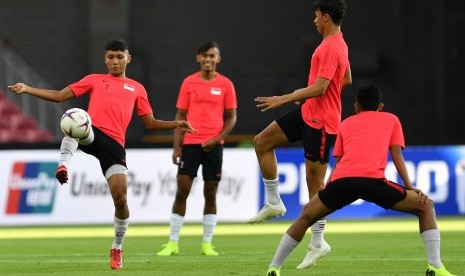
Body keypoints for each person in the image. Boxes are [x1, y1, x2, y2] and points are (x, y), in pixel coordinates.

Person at [7, 38, 196, 270]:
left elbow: (150, 123)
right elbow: (59, 95)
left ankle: (117, 247)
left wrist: (176, 124)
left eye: (119, 57)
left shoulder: (137, 88)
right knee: (75, 119)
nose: (115, 62)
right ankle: (63, 164)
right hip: (92, 133)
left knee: (121, 200)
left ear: (128, 58)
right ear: (105, 59)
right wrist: (26, 88)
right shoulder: (94, 80)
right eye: (110, 57)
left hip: (114, 145)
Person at [265, 84, 456, 276]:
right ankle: (435, 267)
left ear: (356, 107)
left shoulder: (345, 124)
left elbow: (339, 163)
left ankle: (274, 267)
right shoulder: (391, 119)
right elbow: (396, 156)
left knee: (306, 216)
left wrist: (325, 191)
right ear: (380, 106)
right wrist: (410, 187)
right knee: (426, 207)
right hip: (372, 182)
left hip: (343, 182)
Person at [247, 0, 351, 269]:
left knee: (314, 185)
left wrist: (287, 97)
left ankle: (318, 243)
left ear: (326, 17)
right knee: (262, 142)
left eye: (317, 16)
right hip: (308, 112)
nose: (314, 21)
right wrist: (309, 96)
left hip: (323, 123)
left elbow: (320, 87)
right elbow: (345, 79)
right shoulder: (340, 42)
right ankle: (274, 202)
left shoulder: (330, 46)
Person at [156, 41, 237, 256]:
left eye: (212, 56)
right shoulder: (189, 83)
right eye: (205, 56)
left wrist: (217, 139)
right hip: (190, 144)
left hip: (214, 146)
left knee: (210, 194)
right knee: (182, 191)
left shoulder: (226, 85)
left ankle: (207, 244)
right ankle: (173, 243)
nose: (208, 59)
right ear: (198, 58)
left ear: (218, 59)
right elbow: (180, 117)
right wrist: (176, 147)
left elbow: (232, 118)